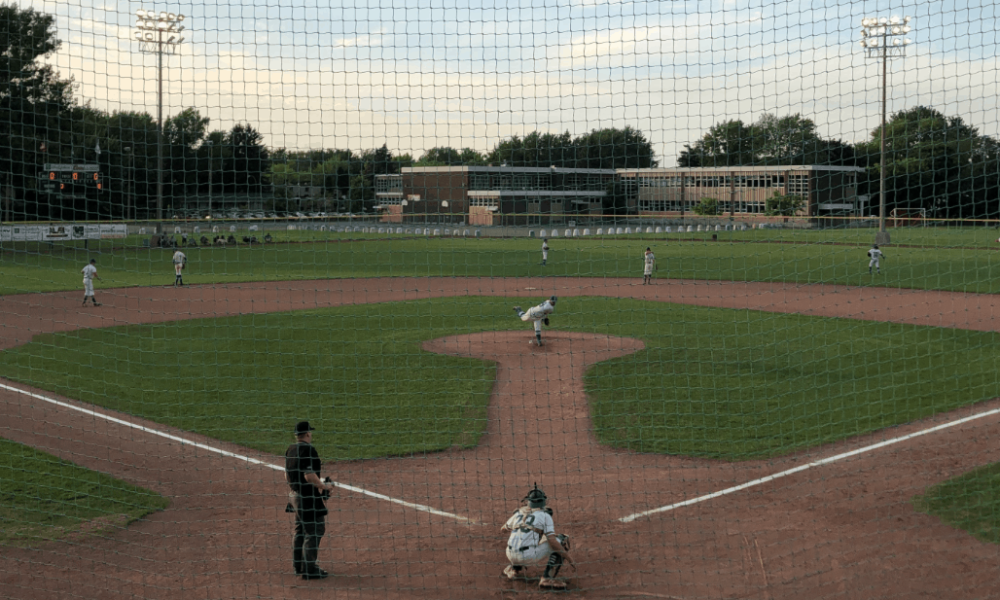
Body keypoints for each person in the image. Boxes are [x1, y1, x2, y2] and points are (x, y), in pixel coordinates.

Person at [285, 421, 335, 580]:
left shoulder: (290, 449)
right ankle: (309, 569)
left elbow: (287, 475)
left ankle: (298, 566)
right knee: (315, 530)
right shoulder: (308, 450)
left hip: (294, 495)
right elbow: (308, 475)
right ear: (307, 434)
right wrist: (324, 486)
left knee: (300, 530)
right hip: (306, 499)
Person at [501, 484, 574, 590]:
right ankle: (547, 579)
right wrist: (569, 558)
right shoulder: (545, 516)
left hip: (509, 554)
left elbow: (503, 529)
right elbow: (553, 542)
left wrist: (520, 525)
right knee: (561, 540)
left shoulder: (518, 513)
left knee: (524, 538)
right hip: (527, 556)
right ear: (543, 501)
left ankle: (513, 570)